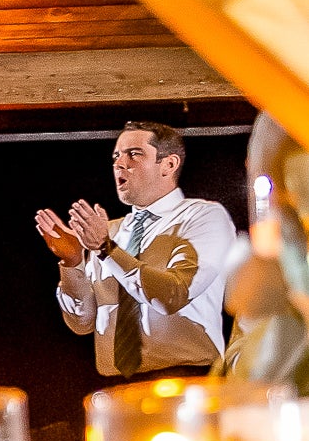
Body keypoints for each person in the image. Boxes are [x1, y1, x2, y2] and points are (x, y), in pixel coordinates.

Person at [37, 120, 240, 381]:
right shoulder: (107, 231)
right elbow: (82, 322)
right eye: (116, 157)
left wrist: (106, 250)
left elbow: (172, 296)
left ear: (169, 164)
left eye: (134, 154)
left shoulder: (203, 217)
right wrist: (72, 261)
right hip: (116, 386)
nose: (120, 164)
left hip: (186, 381)